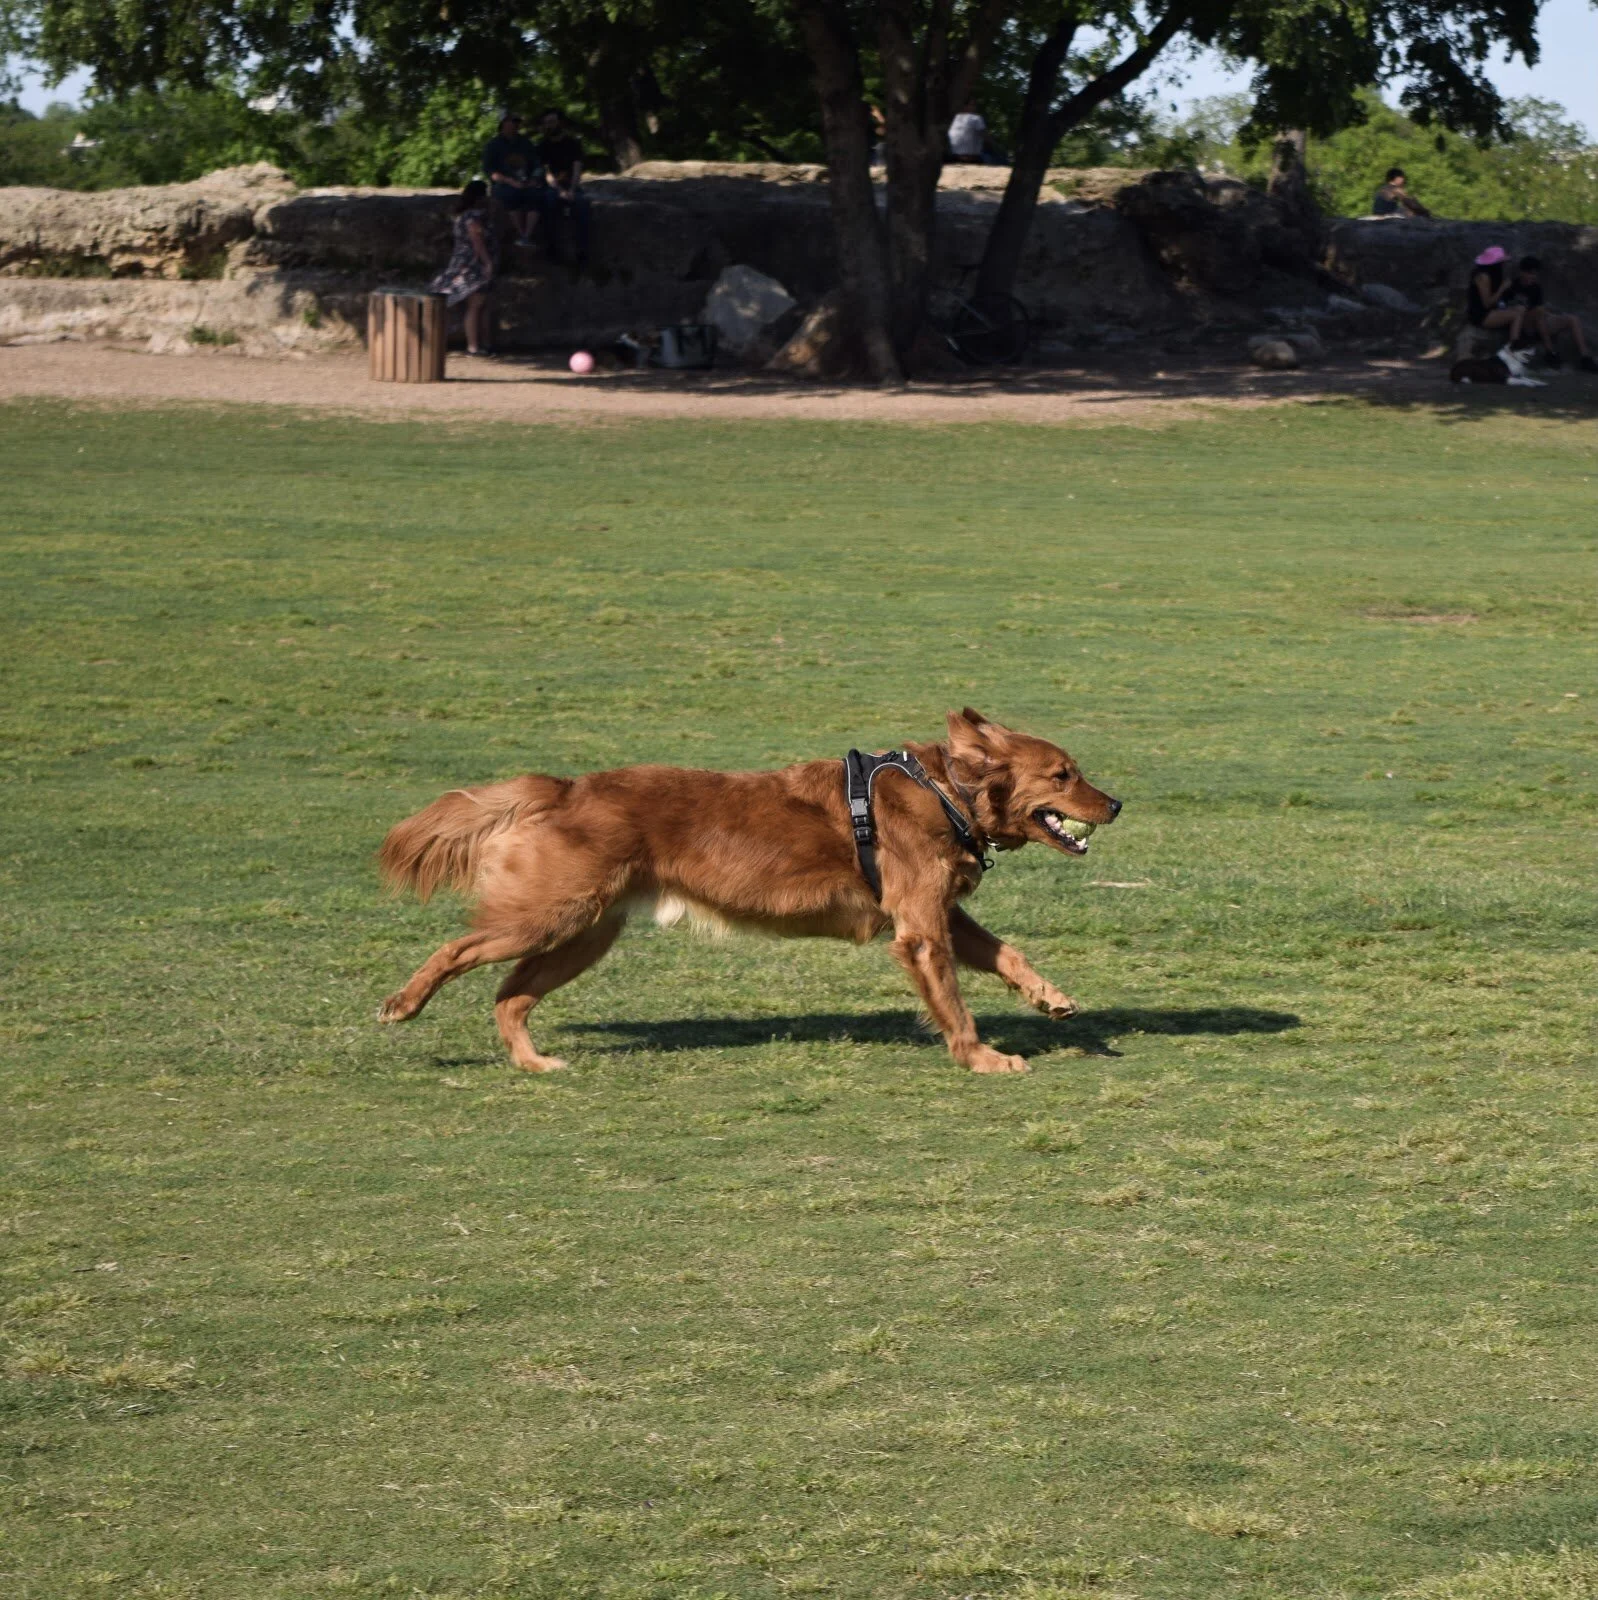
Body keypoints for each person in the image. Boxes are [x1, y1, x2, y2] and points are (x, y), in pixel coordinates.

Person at [430, 179, 497, 356]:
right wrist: (487, 262)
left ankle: (480, 344)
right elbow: (478, 242)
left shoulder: (464, 215)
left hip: (465, 263)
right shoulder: (474, 217)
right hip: (472, 265)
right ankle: (474, 346)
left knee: (479, 305)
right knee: (476, 305)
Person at [1503, 255, 1598, 371]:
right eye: (1530, 273)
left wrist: (1550, 315)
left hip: (1540, 323)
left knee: (1572, 319)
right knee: (1538, 313)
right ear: (1522, 272)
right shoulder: (1512, 286)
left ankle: (1585, 358)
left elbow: (1540, 308)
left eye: (1535, 274)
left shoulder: (1536, 288)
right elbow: (1505, 309)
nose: (1532, 277)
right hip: (1524, 326)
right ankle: (1550, 351)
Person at [535, 109, 591, 265]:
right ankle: (552, 250)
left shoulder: (573, 143)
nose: (549, 126)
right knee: (548, 203)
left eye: (552, 122)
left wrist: (572, 190)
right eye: (546, 123)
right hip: (553, 187)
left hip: (572, 185)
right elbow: (547, 173)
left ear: (560, 122)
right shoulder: (543, 146)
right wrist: (559, 191)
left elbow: (577, 167)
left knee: (582, 205)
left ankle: (583, 252)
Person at [482, 112, 541, 247]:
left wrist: (534, 179)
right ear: (503, 123)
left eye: (517, 122)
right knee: (510, 196)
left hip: (525, 181)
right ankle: (521, 233)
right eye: (512, 121)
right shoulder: (493, 145)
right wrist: (509, 181)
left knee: (536, 196)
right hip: (504, 184)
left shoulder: (525, 143)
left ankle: (527, 235)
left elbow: (537, 165)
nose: (515, 124)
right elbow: (489, 171)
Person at [1465, 245, 1526, 346]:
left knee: (1521, 309)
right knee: (1517, 315)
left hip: (1493, 309)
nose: (1504, 264)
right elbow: (1487, 304)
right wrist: (1502, 288)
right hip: (1481, 315)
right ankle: (1514, 346)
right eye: (1502, 262)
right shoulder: (1483, 276)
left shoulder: (1494, 274)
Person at [947, 98, 1004, 164]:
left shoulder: (956, 118)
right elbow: (985, 135)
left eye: (974, 105)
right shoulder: (976, 118)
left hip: (955, 155)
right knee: (998, 159)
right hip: (971, 157)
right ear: (965, 106)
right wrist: (996, 146)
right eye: (971, 105)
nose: (973, 107)